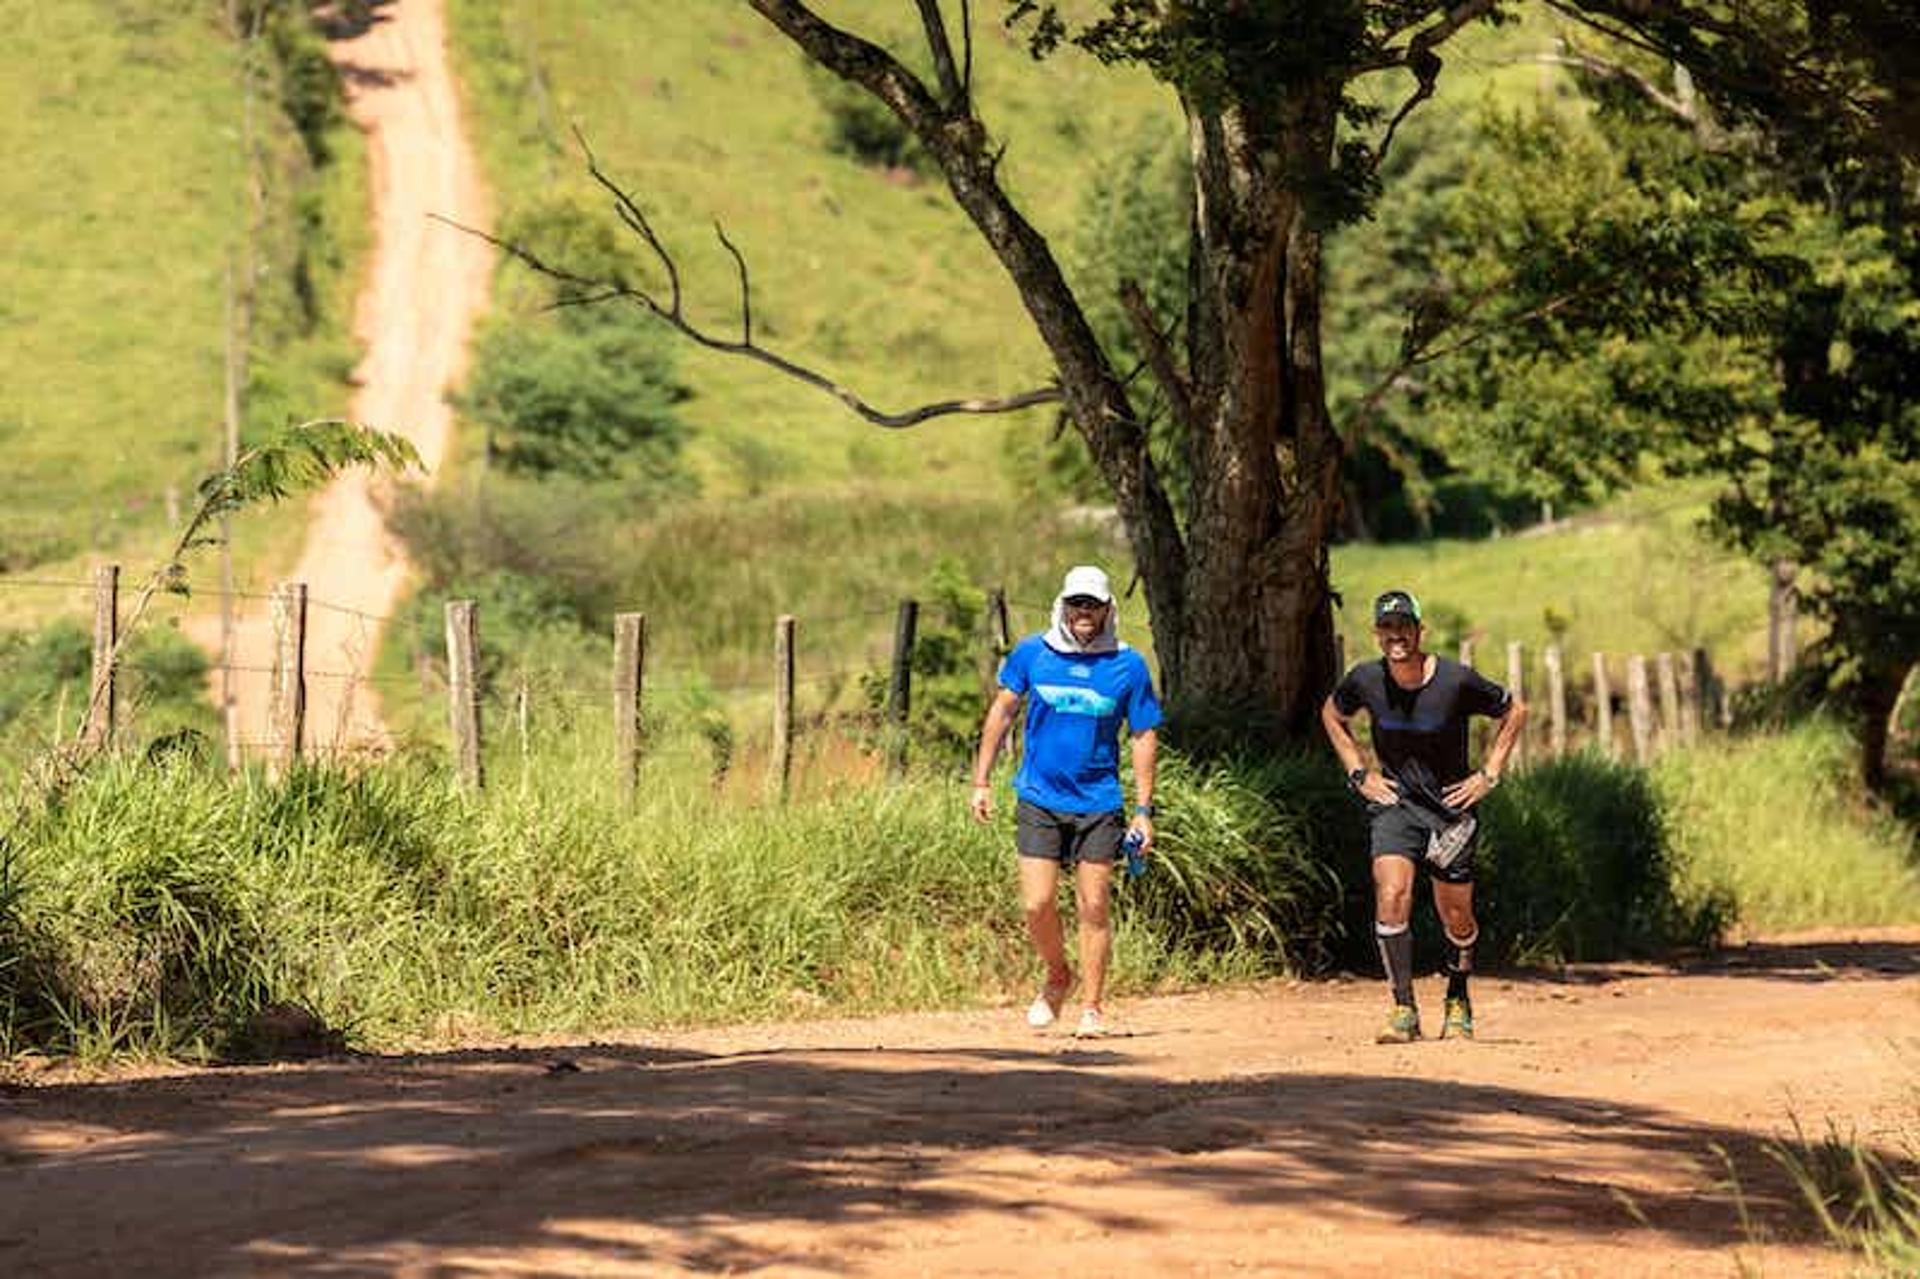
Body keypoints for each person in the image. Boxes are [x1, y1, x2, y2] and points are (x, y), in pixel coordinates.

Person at [1321, 589, 1527, 1044]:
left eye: (1404, 627)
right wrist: (1359, 772)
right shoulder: (1366, 680)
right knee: (1392, 893)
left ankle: (1457, 995)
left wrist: (1489, 774)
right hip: (1396, 807)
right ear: (1378, 635)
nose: (1397, 636)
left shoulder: (1455, 681)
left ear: (1419, 631)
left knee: (1456, 915)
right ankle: (1403, 1008)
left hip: (1452, 812)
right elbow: (1332, 714)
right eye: (1387, 628)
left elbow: (1515, 710)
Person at [970, 565, 1161, 1038]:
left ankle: (1092, 1007)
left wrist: (1143, 810)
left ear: (1107, 610)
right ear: (1063, 606)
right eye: (1077, 603)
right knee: (1037, 904)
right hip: (1039, 796)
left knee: (1094, 903)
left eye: (1092, 605)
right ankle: (1058, 974)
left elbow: (1142, 733)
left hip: (1099, 802)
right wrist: (982, 780)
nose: (1084, 613)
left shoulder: (1128, 665)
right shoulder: (1034, 653)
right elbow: (1003, 711)